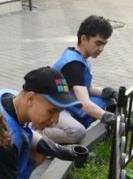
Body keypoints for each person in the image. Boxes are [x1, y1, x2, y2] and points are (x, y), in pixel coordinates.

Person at [41, 15, 119, 144]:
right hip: (52, 107)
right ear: (84, 39)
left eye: (104, 44)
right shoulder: (74, 64)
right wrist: (108, 117)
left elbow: (87, 89)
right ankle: (41, 133)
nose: (101, 49)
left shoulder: (78, 56)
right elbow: (85, 103)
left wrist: (108, 92)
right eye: (98, 43)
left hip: (65, 103)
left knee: (107, 100)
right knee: (78, 132)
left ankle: (107, 133)